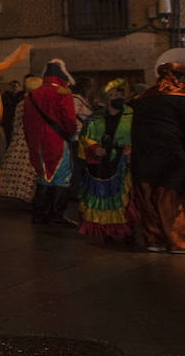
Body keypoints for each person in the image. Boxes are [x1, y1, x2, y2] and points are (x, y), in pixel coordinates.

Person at [127, 61, 185, 253]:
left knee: (148, 196)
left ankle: (154, 240)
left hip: (143, 153)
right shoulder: (180, 97)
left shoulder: (142, 98)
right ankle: (176, 241)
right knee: (170, 198)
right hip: (171, 153)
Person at [23, 59, 79, 226]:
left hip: (37, 142)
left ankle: (39, 213)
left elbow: (26, 121)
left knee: (45, 176)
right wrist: (71, 133)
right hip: (57, 140)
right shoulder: (62, 92)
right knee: (61, 177)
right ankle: (56, 214)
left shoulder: (32, 95)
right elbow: (68, 119)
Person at [77, 78, 133, 244]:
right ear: (105, 98)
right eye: (111, 94)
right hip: (102, 164)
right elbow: (85, 137)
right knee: (106, 197)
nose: (115, 97)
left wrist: (131, 148)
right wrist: (95, 148)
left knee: (125, 199)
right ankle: (108, 231)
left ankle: (128, 231)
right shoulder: (95, 118)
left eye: (118, 94)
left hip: (124, 163)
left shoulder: (132, 115)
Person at [0, 74, 41, 205]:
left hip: (20, 139)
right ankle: (29, 196)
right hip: (33, 138)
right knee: (31, 170)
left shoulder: (22, 103)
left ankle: (16, 193)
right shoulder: (38, 104)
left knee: (19, 169)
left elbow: (16, 123)